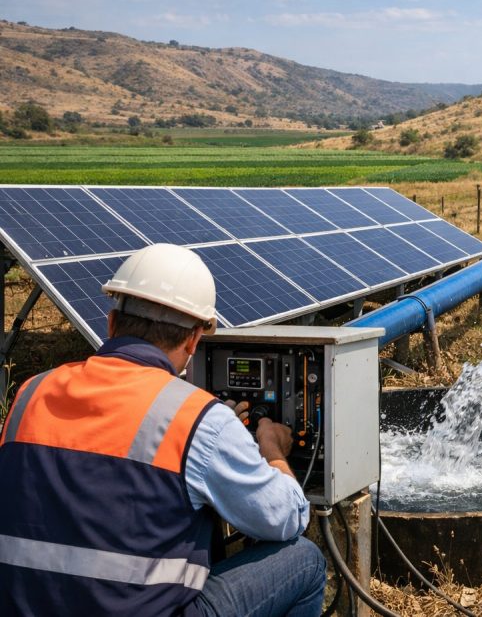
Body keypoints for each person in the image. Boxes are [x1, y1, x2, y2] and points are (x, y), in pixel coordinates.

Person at [0, 243, 326, 616]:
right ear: (193, 340)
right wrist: (272, 449)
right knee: (305, 560)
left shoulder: (30, 392)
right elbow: (286, 517)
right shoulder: (198, 418)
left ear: (110, 323)